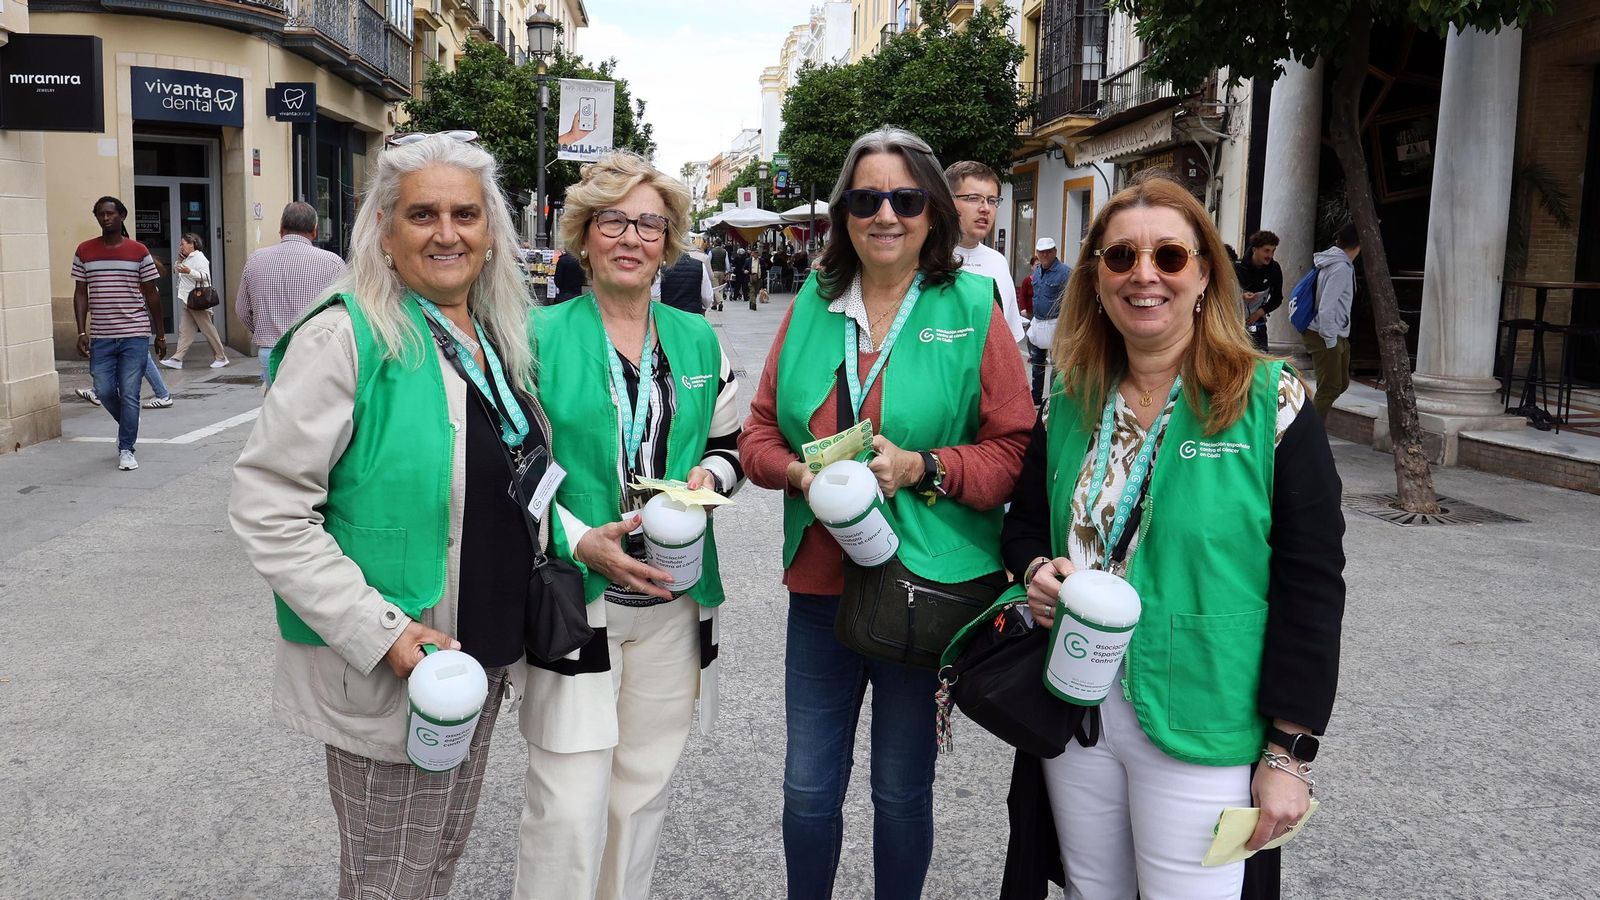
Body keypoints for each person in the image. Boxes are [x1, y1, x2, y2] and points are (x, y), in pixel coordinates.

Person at [998, 175, 1346, 899]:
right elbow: (1027, 521)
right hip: (1079, 707)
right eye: (1120, 257)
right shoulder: (1068, 398)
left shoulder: (1271, 403)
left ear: (1204, 276)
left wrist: (1289, 753)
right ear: (1096, 278)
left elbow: (1312, 581)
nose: (1144, 274)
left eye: (1169, 256)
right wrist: (1033, 569)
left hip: (1206, 718)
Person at [230, 132, 547, 900]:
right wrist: (386, 634)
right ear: (384, 229)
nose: (448, 233)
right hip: (400, 665)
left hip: (482, 657)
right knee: (387, 881)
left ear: (491, 231)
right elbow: (269, 507)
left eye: (466, 214)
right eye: (423, 214)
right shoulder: (346, 335)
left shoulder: (497, 332)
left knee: (433, 864)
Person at [739, 127, 1033, 900]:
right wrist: (802, 473)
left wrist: (924, 467)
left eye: (904, 199)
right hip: (823, 587)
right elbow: (758, 432)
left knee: (901, 793)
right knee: (807, 789)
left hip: (926, 591)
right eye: (865, 199)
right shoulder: (812, 299)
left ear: (931, 211)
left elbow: (1014, 446)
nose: (885, 215)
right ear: (844, 214)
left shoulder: (971, 304)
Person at [515, 151, 744, 900]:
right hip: (577, 597)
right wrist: (578, 535)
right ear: (584, 234)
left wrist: (712, 477)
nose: (631, 237)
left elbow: (730, 441)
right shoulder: (534, 337)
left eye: (650, 223)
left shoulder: (698, 338)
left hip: (674, 601)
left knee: (641, 795)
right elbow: (508, 466)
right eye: (612, 220)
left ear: (669, 239)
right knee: (569, 802)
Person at [73, 196, 167, 471]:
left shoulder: (138, 251)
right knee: (102, 389)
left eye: (111, 214)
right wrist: (81, 330)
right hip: (101, 334)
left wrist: (160, 335)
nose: (106, 218)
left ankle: (126, 448)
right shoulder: (85, 251)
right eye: (101, 214)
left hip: (134, 333)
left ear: (122, 216)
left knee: (129, 393)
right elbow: (80, 293)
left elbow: (152, 294)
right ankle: (129, 421)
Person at [235, 201, 346, 388]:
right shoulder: (332, 263)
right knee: (313, 410)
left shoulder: (256, 260)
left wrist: (265, 329)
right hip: (315, 350)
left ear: (281, 228)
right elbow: (345, 312)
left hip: (270, 351)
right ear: (314, 230)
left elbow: (242, 311)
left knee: (276, 410)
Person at [945, 160, 1025, 344]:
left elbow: (1009, 340)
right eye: (973, 198)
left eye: (992, 200)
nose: (985, 208)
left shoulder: (998, 262)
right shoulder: (924, 259)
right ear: (948, 201)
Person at [1302, 224, 1361, 420]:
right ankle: (1310, 433)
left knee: (1340, 384)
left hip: (1336, 332)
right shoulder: (1340, 268)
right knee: (1329, 388)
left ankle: (1308, 425)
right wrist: (1330, 341)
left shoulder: (1337, 264)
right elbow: (1327, 307)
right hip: (1325, 333)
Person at [161, 232, 229, 369]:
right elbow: (177, 272)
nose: (181, 246)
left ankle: (221, 357)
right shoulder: (187, 258)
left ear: (192, 244)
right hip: (188, 300)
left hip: (198, 301)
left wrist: (189, 271)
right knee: (185, 331)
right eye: (180, 244)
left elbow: (205, 277)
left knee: (208, 330)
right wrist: (179, 262)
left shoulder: (199, 258)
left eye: (183, 244)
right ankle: (177, 359)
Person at [1027, 237, 1070, 407]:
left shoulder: (1066, 272)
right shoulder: (1036, 271)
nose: (1044, 254)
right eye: (1041, 252)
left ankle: (1053, 400)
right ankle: (1036, 398)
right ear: (1037, 253)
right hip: (1039, 322)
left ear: (1055, 252)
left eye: (1048, 251)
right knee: (1037, 362)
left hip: (1057, 324)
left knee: (1057, 365)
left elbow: (1072, 299)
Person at [1235, 230, 1284, 352]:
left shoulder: (1274, 269)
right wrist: (1241, 296)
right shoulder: (1236, 267)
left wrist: (1260, 312)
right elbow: (1222, 294)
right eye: (1266, 250)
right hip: (1234, 325)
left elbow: (1277, 298)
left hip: (1258, 326)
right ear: (1254, 249)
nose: (1270, 255)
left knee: (1261, 363)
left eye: (1273, 251)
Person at [660, 237, 715, 315]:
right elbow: (707, 298)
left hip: (669, 316)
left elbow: (656, 296)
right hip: (692, 316)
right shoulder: (700, 266)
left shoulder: (663, 268)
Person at [708, 239, 729, 310]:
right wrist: (728, 271)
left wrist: (708, 271)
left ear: (715, 243)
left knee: (715, 288)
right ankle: (714, 304)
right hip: (722, 272)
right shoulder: (725, 252)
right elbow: (727, 263)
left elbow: (708, 261)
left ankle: (720, 303)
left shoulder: (711, 251)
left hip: (714, 272)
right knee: (719, 289)